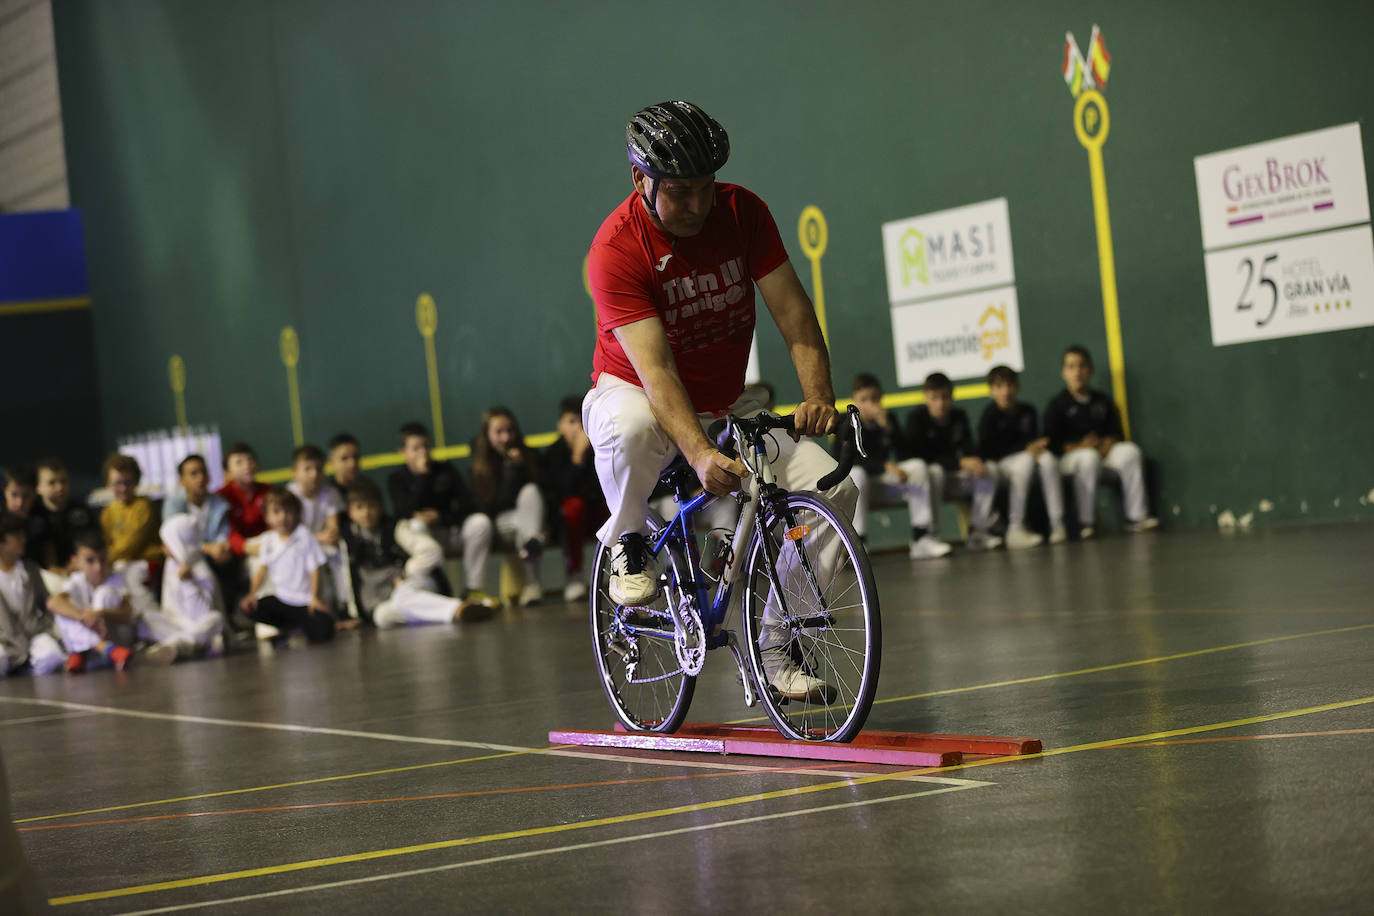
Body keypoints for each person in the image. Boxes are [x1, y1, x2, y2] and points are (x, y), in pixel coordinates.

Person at [583, 100, 855, 701]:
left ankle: (776, 646)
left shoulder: (742, 212)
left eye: (705, 187)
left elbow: (795, 315)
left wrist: (819, 398)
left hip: (727, 405)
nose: (699, 206)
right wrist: (701, 453)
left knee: (833, 485)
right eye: (680, 192)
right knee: (629, 426)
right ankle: (629, 539)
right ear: (641, 180)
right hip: (635, 394)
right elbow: (657, 375)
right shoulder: (617, 248)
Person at [337, 480, 496, 628]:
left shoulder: (396, 528)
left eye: (371, 506)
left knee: (403, 596)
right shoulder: (348, 540)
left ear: (380, 507)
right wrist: (353, 613)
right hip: (385, 600)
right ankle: (454, 609)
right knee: (381, 616)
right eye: (359, 507)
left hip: (415, 583)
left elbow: (432, 551)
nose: (366, 513)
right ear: (351, 512)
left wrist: (406, 573)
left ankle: (457, 609)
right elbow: (348, 577)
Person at [1044, 346, 1159, 537]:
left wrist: (1107, 444)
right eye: (1071, 367)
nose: (1077, 372)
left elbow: (1117, 434)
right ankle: (1086, 523)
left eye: (1082, 366)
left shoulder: (1103, 401)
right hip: (1070, 461)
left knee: (1130, 451)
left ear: (1090, 369)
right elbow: (1053, 444)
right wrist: (1082, 447)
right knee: (1088, 457)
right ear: (1064, 373)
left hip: (1102, 454)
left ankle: (1137, 517)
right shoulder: (1057, 405)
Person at [839, 372, 949, 558]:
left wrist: (889, 429)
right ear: (854, 401)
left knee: (918, 467)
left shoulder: (889, 419)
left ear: (881, 397)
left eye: (874, 398)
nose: (869, 404)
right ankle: (858, 547)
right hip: (859, 489)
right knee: (857, 474)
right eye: (863, 399)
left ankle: (921, 538)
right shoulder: (847, 423)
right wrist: (884, 465)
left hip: (884, 485)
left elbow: (905, 455)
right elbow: (844, 460)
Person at [48, 530, 188, 671]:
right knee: (62, 611)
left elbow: (127, 614)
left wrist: (100, 614)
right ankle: (104, 648)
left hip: (116, 639)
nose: (98, 567)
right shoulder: (76, 581)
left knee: (103, 594)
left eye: (102, 560)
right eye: (90, 561)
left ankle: (80, 653)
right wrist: (82, 616)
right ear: (76, 561)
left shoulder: (116, 577)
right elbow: (52, 603)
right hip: (107, 651)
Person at [904, 372, 1001, 551]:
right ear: (926, 397)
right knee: (934, 471)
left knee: (990, 469)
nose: (940, 403)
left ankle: (978, 532)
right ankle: (927, 538)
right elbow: (920, 457)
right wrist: (960, 463)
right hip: (927, 483)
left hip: (954, 480)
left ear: (952, 396)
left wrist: (975, 461)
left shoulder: (959, 416)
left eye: (945, 397)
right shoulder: (916, 418)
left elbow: (969, 447)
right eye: (934, 398)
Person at [387, 422, 484, 596]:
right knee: (416, 525)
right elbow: (403, 512)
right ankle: (434, 591)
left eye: (425, 446)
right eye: (416, 448)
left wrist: (441, 517)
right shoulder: (396, 479)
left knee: (480, 523)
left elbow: (467, 505)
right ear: (403, 452)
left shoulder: (446, 470)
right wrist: (423, 476)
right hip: (422, 538)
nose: (423, 452)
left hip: (449, 531)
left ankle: (473, 588)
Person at [978, 366, 1067, 549]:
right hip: (1001, 467)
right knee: (1025, 459)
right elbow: (990, 451)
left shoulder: (1028, 410)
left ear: (1017, 387)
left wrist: (1037, 448)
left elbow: (1033, 441)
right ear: (991, 391)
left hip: (1026, 461)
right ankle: (1015, 528)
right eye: (999, 386)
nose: (1006, 391)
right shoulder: (989, 416)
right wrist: (1025, 449)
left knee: (1048, 459)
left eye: (1010, 385)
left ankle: (1058, 524)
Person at [468, 407, 546, 607]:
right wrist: (510, 471)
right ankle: (532, 577)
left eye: (510, 430)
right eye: (499, 432)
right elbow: (490, 506)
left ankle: (532, 577)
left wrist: (522, 468)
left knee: (529, 493)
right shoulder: (478, 465)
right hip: (498, 525)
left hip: (526, 521)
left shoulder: (529, 455)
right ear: (487, 434)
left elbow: (543, 494)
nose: (506, 437)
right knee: (526, 525)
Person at [239, 489, 335, 645]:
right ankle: (289, 629)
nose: (282, 517)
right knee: (249, 608)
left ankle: (300, 628)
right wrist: (252, 593)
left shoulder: (305, 536)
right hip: (281, 600)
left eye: (288, 511)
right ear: (267, 517)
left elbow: (315, 570)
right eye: (276, 512)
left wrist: (315, 598)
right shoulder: (268, 540)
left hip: (304, 602)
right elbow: (262, 570)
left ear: (297, 513)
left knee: (325, 630)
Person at [159, 454, 230, 655]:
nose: (200, 478)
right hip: (187, 562)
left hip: (207, 562)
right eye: (193, 474)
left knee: (212, 616)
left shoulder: (219, 504)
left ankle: (183, 644)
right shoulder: (174, 504)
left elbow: (223, 538)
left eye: (203, 472)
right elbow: (170, 543)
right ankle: (199, 639)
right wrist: (203, 550)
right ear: (182, 480)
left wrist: (220, 549)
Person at [542, 395, 608, 601]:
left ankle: (620, 570)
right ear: (560, 426)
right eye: (571, 422)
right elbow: (561, 492)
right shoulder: (554, 453)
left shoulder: (600, 447)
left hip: (597, 513)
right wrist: (577, 457)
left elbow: (606, 486)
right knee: (573, 506)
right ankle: (574, 574)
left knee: (614, 506)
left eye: (582, 421)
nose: (578, 429)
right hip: (570, 521)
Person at [0, 514, 65, 676]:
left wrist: (45, 624)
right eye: (16, 536)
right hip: (4, 637)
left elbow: (47, 601)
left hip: (32, 632)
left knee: (52, 657)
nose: (23, 540)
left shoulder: (29, 569)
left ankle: (24, 669)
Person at [28, 457, 98, 581]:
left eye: (63, 481)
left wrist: (77, 563)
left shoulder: (81, 511)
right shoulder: (33, 516)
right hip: (46, 577)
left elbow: (92, 542)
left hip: (83, 569)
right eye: (52, 483)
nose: (60, 487)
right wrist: (54, 569)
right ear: (38, 487)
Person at [100, 453, 163, 564]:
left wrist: (104, 557)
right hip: (118, 563)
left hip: (147, 563)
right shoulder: (107, 513)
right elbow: (107, 544)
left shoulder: (143, 505)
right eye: (118, 483)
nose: (123, 488)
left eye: (128, 482)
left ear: (136, 481)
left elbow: (133, 544)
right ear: (108, 484)